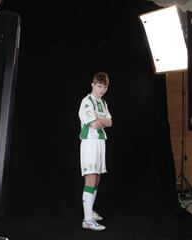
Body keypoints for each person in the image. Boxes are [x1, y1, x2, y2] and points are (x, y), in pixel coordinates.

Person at [78, 72, 112, 231]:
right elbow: (94, 125)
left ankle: (89, 211)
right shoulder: (86, 102)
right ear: (93, 84)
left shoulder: (103, 103)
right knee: (91, 178)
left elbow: (110, 122)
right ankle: (87, 220)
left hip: (100, 143)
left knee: (97, 178)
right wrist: (101, 120)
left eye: (105, 87)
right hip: (90, 143)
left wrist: (101, 119)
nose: (102, 90)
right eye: (99, 86)